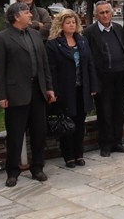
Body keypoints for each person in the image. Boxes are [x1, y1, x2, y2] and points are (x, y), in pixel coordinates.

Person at [0, 2, 56, 187]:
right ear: (16, 16)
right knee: (15, 135)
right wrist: (1, 95)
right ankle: (12, 171)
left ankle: (37, 167)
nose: (31, 15)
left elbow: (44, 64)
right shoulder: (2, 38)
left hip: (37, 91)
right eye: (26, 12)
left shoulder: (36, 35)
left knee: (39, 132)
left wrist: (49, 87)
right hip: (15, 94)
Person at [46, 9, 98, 168]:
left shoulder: (82, 41)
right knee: (67, 123)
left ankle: (79, 154)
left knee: (80, 123)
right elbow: (51, 69)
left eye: (73, 22)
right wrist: (52, 90)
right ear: (60, 25)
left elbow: (90, 64)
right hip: (64, 90)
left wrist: (93, 86)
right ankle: (68, 156)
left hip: (81, 88)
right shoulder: (53, 44)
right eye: (68, 23)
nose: (71, 25)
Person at [84, 1, 124, 157]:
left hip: (120, 76)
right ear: (96, 15)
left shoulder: (118, 28)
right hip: (102, 78)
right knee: (105, 112)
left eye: (107, 12)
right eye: (101, 13)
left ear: (112, 13)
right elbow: (88, 58)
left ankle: (117, 142)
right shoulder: (90, 32)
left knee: (119, 111)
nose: (105, 15)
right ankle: (105, 144)